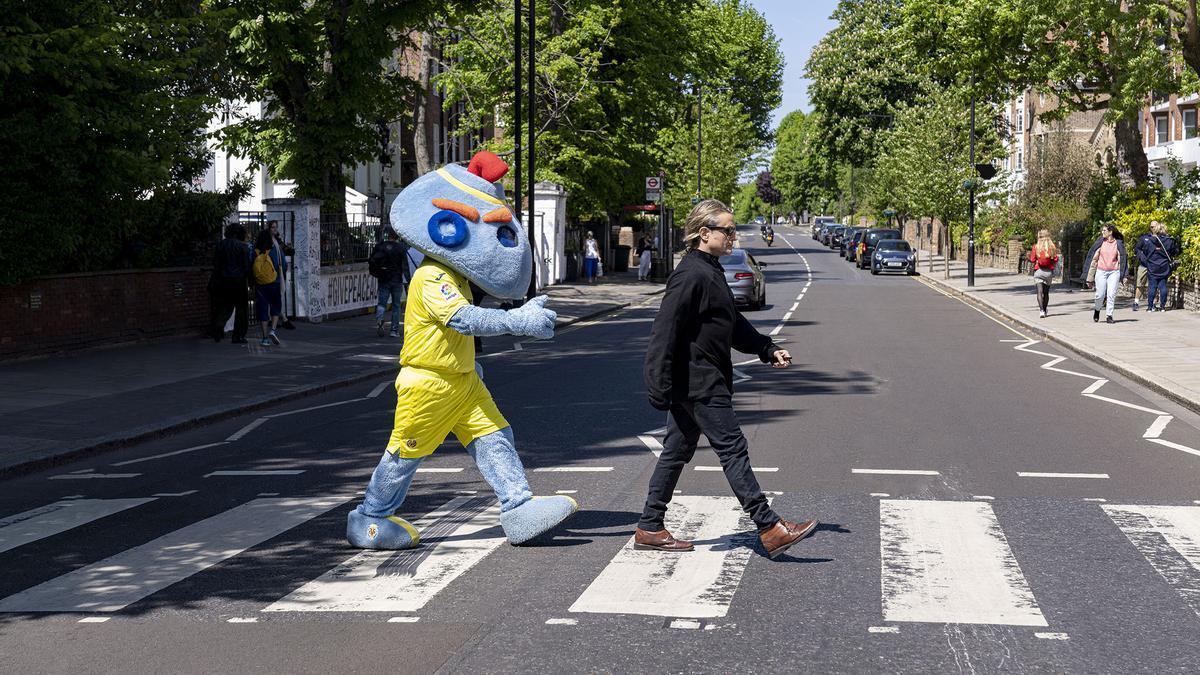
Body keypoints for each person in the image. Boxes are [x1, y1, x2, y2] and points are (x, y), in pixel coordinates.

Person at [638, 199, 817, 559]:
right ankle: (769, 527)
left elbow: (731, 324)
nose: (735, 236)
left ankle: (650, 525)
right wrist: (657, 384)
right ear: (704, 233)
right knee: (733, 448)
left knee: (676, 451)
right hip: (699, 382)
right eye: (728, 230)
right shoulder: (691, 275)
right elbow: (664, 331)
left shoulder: (710, 270)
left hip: (701, 379)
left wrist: (767, 348)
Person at [209, 223, 252, 344]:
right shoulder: (242, 247)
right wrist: (251, 281)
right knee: (241, 309)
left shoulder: (220, 245)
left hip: (223, 280)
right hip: (239, 281)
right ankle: (238, 336)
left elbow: (216, 264)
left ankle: (219, 325)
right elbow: (246, 266)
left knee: (226, 305)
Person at [369, 229, 412, 337]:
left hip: (383, 278)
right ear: (397, 236)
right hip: (396, 279)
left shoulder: (381, 246)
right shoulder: (401, 248)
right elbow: (405, 266)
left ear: (388, 235)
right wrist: (409, 280)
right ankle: (394, 330)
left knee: (382, 303)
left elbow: (372, 260)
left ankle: (380, 320)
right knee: (396, 306)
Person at [1083, 223, 1127, 324]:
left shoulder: (1118, 244)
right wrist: (1089, 278)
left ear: (1110, 232)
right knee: (1100, 295)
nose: (1102, 232)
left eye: (1104, 231)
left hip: (1114, 272)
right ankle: (1097, 310)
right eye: (1102, 230)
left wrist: (1124, 274)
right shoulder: (1100, 243)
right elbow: (1093, 261)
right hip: (1101, 271)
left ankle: (1109, 315)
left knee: (1111, 294)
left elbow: (1124, 260)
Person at [1137, 220, 1181, 312]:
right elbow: (1175, 252)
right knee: (1163, 286)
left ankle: (1149, 307)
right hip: (1164, 266)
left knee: (1152, 286)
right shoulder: (1169, 241)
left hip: (1152, 266)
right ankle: (1162, 307)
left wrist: (1147, 260)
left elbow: (1145, 252)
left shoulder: (1149, 241)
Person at [252, 229, 285, 346]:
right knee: (275, 306)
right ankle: (273, 330)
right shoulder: (274, 249)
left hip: (260, 284)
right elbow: (283, 265)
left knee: (263, 308)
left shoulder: (255, 251)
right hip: (274, 282)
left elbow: (251, 267)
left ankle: (265, 338)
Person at [267, 220, 297, 330]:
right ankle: (283, 319)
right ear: (268, 228)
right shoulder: (266, 241)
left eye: (276, 227)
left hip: (279, 272)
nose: (275, 229)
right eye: (273, 227)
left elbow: (289, 252)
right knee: (274, 297)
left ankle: (276, 319)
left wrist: (290, 248)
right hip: (270, 272)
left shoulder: (277, 240)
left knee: (275, 297)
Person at [1028, 229, 1059, 318]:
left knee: (1039, 292)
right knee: (1046, 293)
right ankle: (1045, 310)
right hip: (1048, 272)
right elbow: (1055, 259)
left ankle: (1041, 311)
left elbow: (1033, 260)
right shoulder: (1052, 247)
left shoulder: (1036, 247)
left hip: (1039, 271)